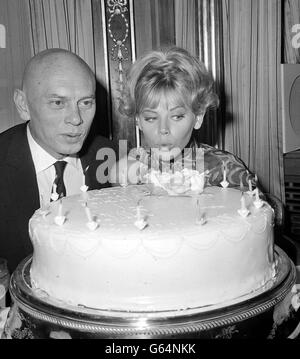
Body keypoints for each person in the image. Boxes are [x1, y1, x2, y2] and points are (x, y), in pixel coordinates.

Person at [0, 48, 117, 273]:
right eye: (58, 103)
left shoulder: (115, 159)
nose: (76, 119)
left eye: (85, 103)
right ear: (23, 105)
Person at [110, 46, 258, 193]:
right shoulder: (130, 167)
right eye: (150, 118)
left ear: (198, 116)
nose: (163, 129)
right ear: (138, 120)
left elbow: (258, 212)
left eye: (177, 116)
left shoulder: (225, 170)